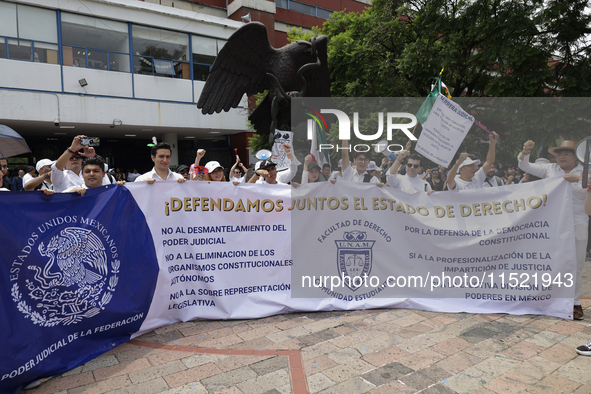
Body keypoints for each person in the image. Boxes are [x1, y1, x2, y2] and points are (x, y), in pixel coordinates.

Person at [518, 139, 586, 320]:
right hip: (552, 224)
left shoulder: (585, 172)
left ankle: (575, 304)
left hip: (577, 223)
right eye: (559, 154)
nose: (561, 157)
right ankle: (546, 299)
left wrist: (578, 179)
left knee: (575, 266)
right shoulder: (550, 169)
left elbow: (585, 192)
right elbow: (525, 165)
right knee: (549, 263)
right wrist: (526, 151)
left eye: (566, 153)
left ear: (576, 157)